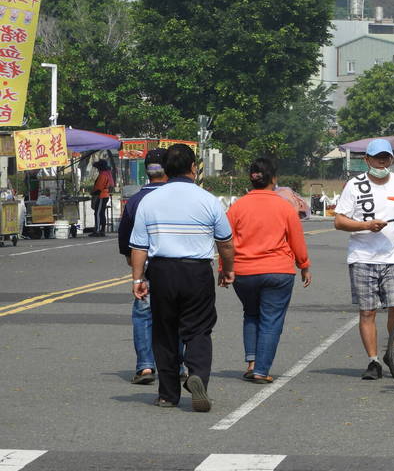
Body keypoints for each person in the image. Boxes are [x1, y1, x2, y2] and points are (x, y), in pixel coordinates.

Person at [129, 144, 235, 411]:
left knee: (164, 332)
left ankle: (167, 394)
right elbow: (225, 242)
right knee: (198, 328)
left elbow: (139, 246)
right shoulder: (208, 200)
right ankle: (197, 373)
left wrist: (137, 280)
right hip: (196, 271)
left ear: (166, 170)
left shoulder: (149, 201)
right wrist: (227, 268)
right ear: (193, 169)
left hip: (162, 271)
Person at [334, 138, 394, 380]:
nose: (382, 161)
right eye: (377, 157)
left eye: (386, 157)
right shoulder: (354, 185)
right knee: (367, 311)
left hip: (393, 257)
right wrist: (366, 225)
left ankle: (393, 351)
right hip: (363, 257)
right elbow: (339, 221)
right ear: (366, 160)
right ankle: (373, 361)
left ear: (392, 159)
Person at [227, 156, 312, 384]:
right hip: (278, 272)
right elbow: (297, 241)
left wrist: (225, 268)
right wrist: (303, 265)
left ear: (251, 179)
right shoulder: (284, 207)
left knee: (251, 313)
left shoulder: (237, 207)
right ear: (274, 179)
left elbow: (226, 241)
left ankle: (252, 362)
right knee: (271, 320)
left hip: (244, 272)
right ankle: (261, 370)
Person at [117, 148, 167, 385]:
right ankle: (178, 366)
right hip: (175, 266)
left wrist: (134, 264)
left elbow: (125, 239)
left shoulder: (136, 200)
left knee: (143, 315)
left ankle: (145, 366)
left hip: (145, 266)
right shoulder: (176, 197)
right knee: (175, 315)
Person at [90, 159, 114, 237]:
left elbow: (99, 188)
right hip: (105, 195)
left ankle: (97, 230)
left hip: (101, 196)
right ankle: (102, 230)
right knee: (101, 213)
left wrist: (92, 193)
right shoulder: (107, 174)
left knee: (97, 213)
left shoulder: (102, 175)